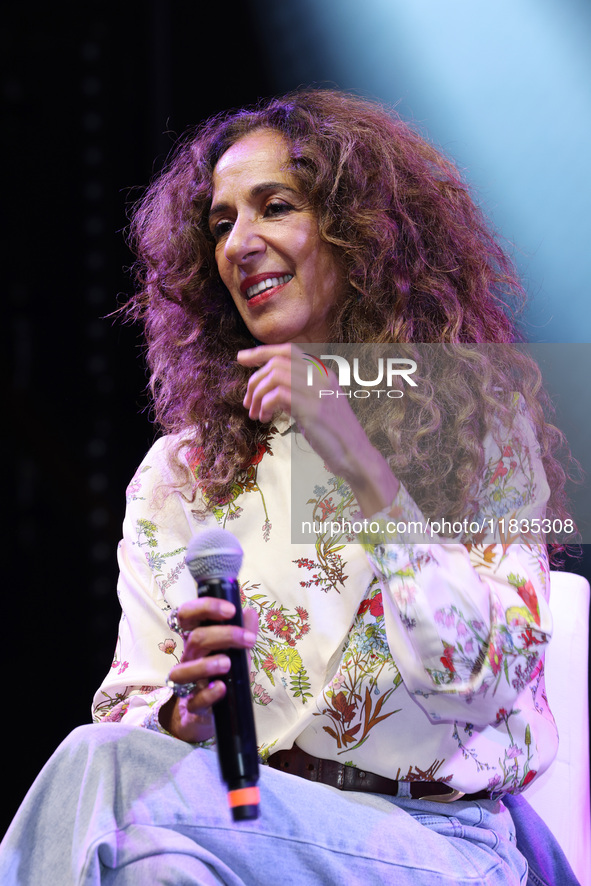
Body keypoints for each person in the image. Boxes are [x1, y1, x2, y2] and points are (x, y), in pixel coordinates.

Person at [0, 89, 579, 885]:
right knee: (150, 860)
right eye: (220, 222)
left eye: (274, 206)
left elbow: (483, 681)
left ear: (361, 233)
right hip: (239, 820)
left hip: (432, 841)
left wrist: (355, 456)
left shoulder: (473, 420)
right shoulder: (182, 472)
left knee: (101, 774)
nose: (240, 243)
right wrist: (180, 714)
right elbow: (126, 706)